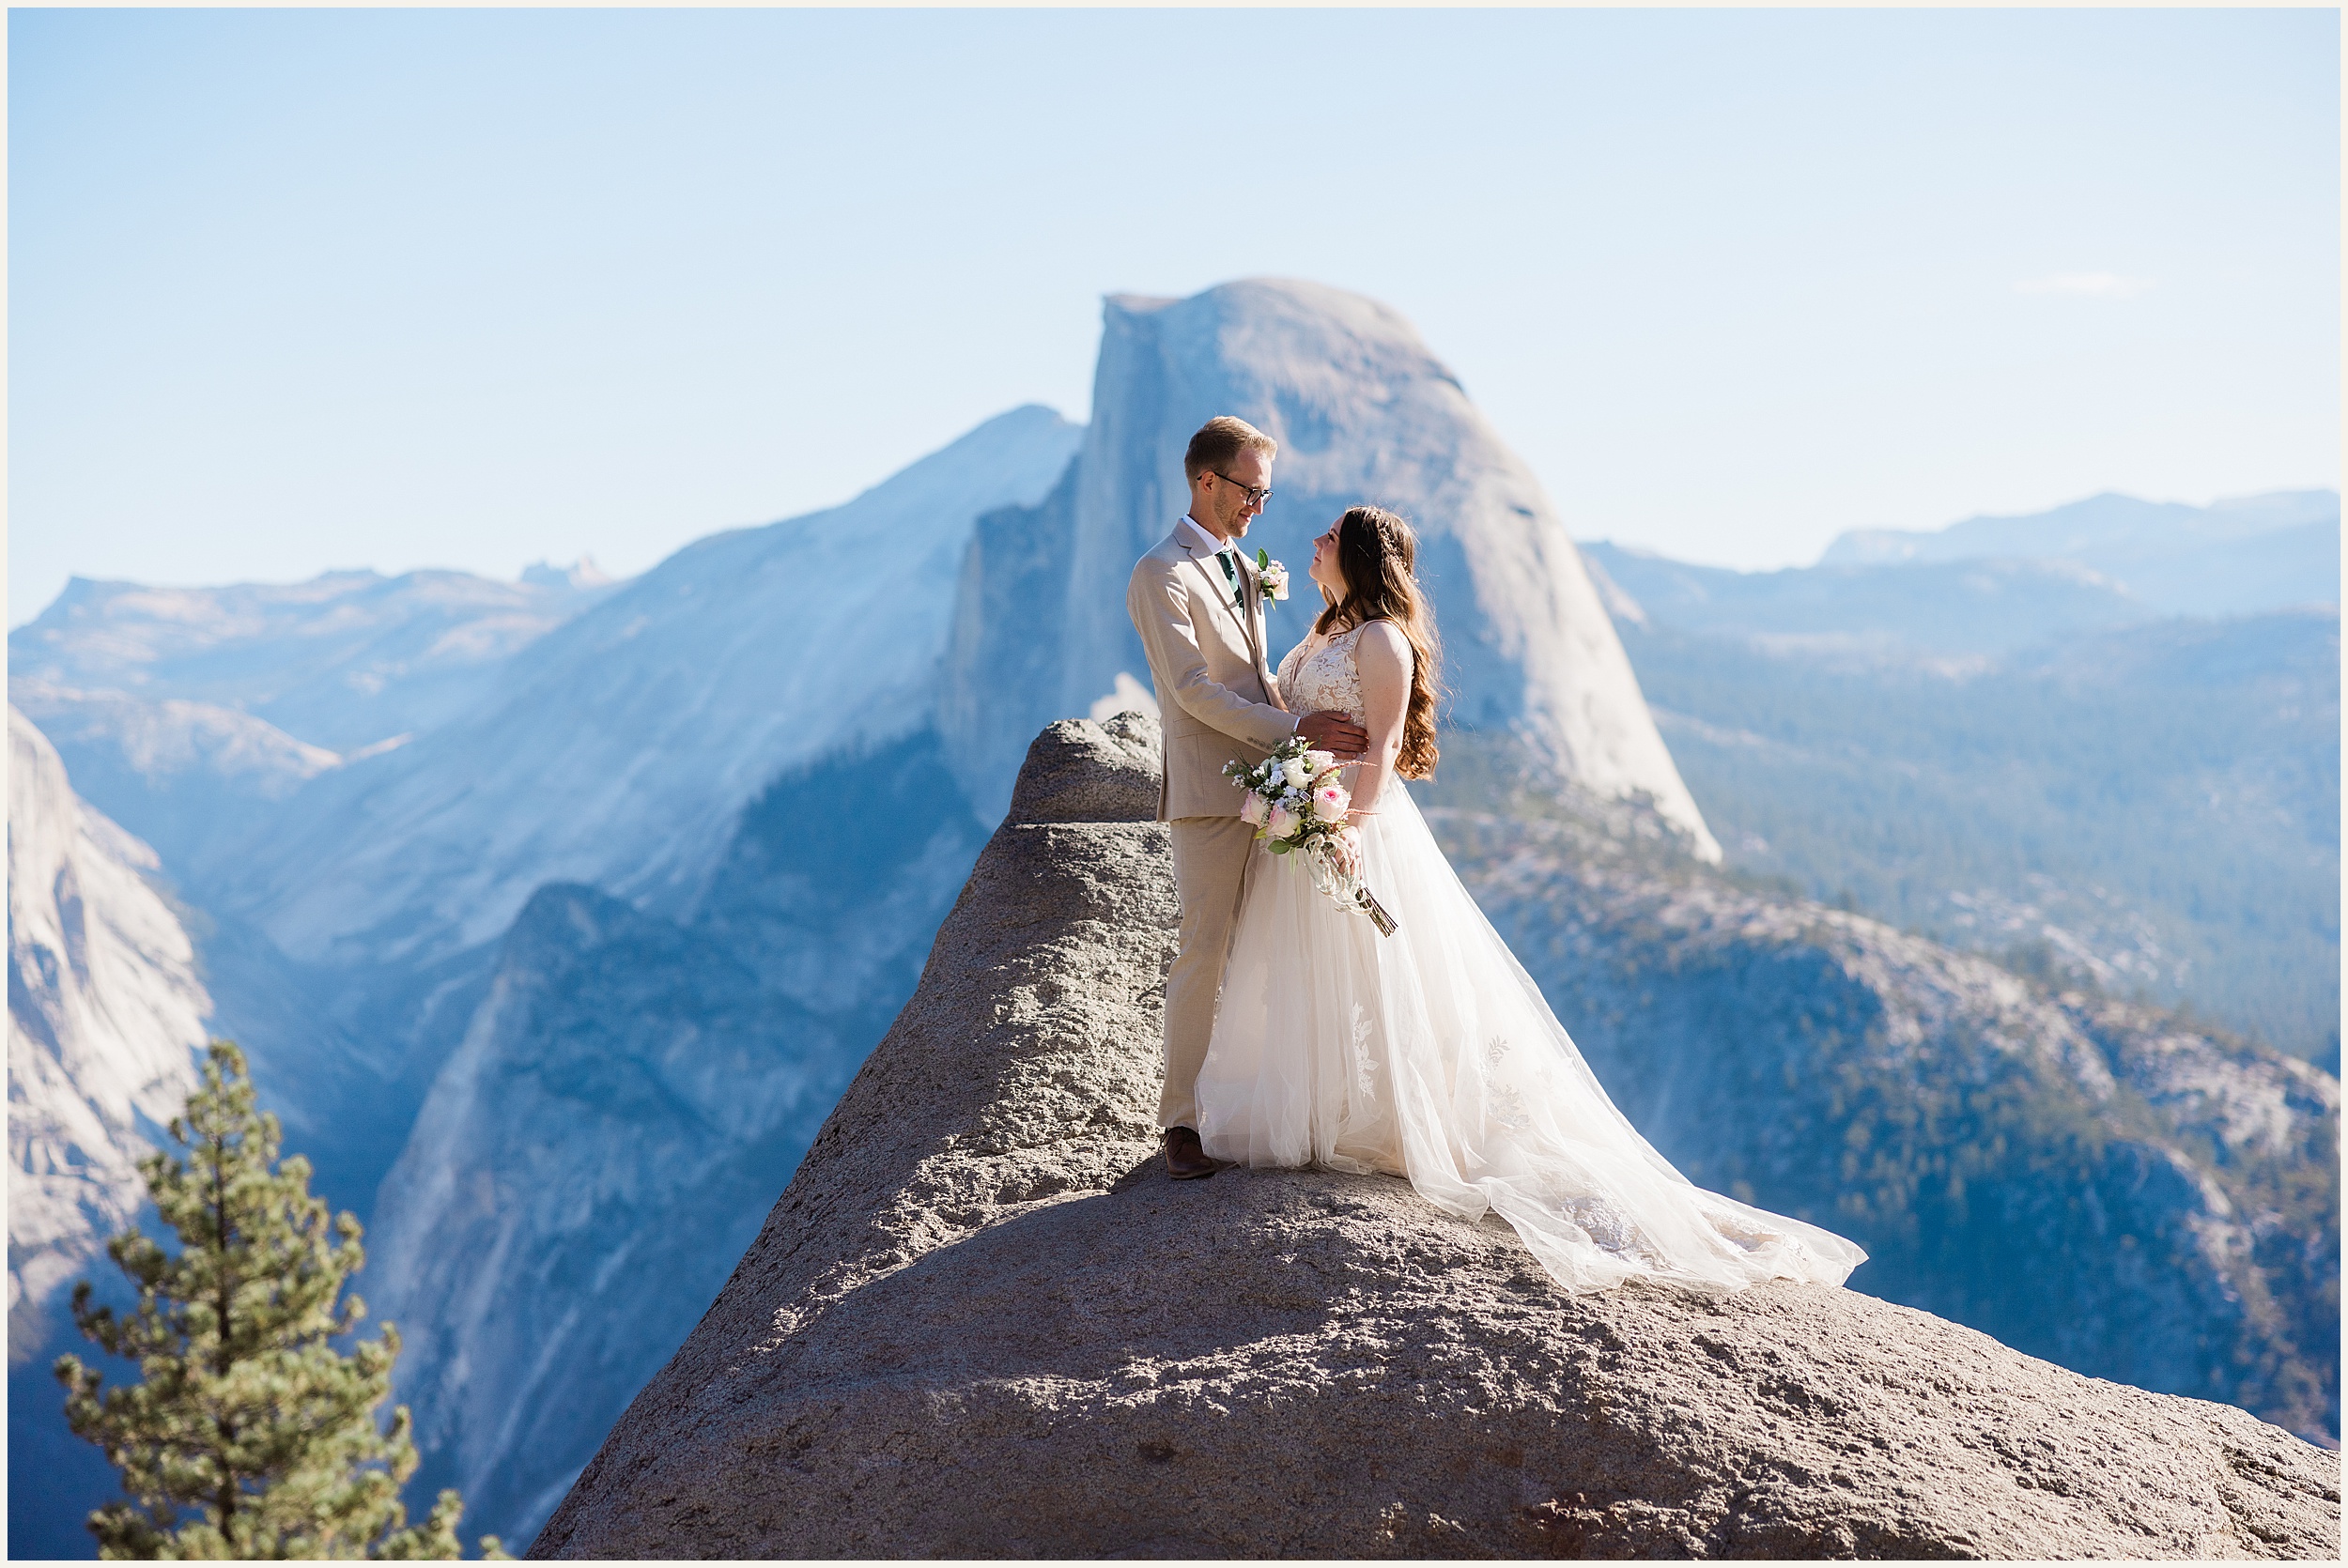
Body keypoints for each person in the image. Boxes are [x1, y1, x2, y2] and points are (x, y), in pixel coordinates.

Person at [1191, 504, 1867, 1293]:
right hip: (1304, 813)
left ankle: (1386, 1119)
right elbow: (1286, 709)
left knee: (1374, 973)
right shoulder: (1323, 630)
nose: (1312, 543)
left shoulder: (1381, 641)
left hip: (1351, 821)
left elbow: (1379, 749)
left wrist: (1351, 830)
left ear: (1365, 556)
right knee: (1306, 967)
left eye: (1329, 538)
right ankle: (1317, 1112)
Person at [1125, 416, 1368, 1180]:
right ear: (1206, 481)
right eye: (1249, 491)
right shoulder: (1159, 573)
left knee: (1277, 944)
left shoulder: (1238, 564)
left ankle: (1266, 1102)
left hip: (1279, 784)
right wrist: (1296, 725)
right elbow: (1193, 691)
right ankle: (1182, 1125)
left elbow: (1258, 672)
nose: (1258, 508)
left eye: (1265, 493)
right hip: (1208, 792)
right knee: (1205, 950)